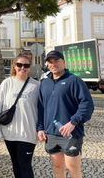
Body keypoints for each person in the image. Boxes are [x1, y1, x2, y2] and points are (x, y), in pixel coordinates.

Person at [37, 50, 94, 178]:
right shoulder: (44, 83)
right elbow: (40, 107)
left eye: (56, 61)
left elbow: (87, 104)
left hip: (70, 133)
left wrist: (73, 122)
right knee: (57, 168)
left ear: (63, 62)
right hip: (51, 133)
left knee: (72, 168)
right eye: (50, 62)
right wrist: (40, 128)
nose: (53, 64)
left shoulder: (74, 81)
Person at [0, 55, 40, 178]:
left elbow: (42, 110)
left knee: (25, 165)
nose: (22, 68)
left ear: (30, 67)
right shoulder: (6, 84)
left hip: (28, 133)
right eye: (19, 65)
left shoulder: (36, 86)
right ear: (14, 66)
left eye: (26, 65)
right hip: (10, 133)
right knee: (16, 165)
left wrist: (41, 129)